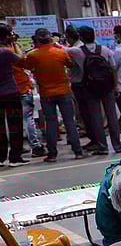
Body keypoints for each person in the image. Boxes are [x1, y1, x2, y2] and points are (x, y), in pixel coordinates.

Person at [22, 28, 81, 162]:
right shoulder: (60, 52)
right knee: (69, 121)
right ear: (50, 39)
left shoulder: (32, 55)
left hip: (46, 93)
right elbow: (70, 64)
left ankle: (52, 153)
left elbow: (28, 67)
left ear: (36, 39)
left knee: (51, 122)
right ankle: (78, 151)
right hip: (64, 91)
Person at [67, 25, 121, 156]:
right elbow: (113, 68)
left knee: (96, 117)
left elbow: (62, 50)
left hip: (90, 87)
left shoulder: (77, 51)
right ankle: (117, 145)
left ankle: (102, 146)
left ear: (80, 37)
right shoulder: (105, 50)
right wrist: (115, 86)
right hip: (107, 87)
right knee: (112, 116)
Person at [0, 23, 28, 166]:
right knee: (15, 125)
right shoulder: (5, 52)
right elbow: (21, 59)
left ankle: (1, 156)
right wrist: (15, 44)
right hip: (10, 92)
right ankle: (15, 157)